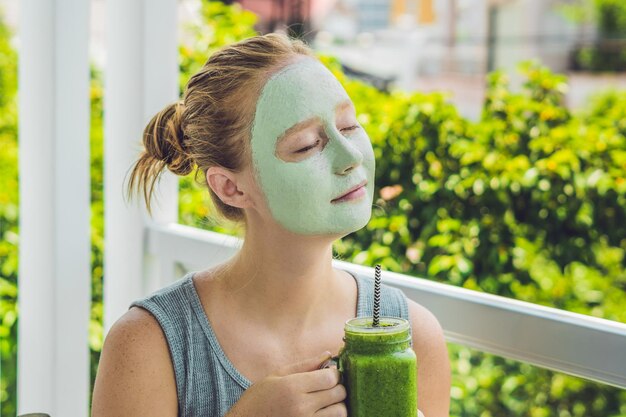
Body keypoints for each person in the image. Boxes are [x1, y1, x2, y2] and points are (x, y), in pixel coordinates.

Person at [91, 33, 450, 417]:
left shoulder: (414, 339)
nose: (349, 158)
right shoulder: (147, 345)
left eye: (348, 126)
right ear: (230, 187)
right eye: (307, 145)